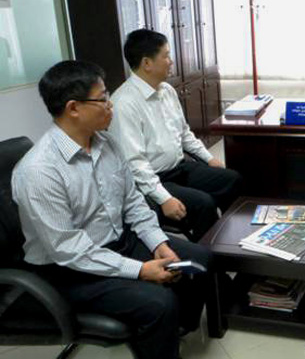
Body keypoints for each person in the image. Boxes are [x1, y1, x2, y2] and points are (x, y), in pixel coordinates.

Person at [12, 61, 212, 359]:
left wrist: (158, 243)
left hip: (117, 242)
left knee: (198, 260)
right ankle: (161, 333)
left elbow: (133, 202)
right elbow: (69, 250)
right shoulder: (39, 171)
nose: (111, 104)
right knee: (159, 303)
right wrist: (141, 270)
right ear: (73, 108)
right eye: (103, 98)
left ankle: (170, 333)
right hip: (69, 270)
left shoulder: (106, 143)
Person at [109, 29, 242, 242]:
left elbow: (184, 134)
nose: (171, 62)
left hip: (179, 168)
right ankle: (210, 256)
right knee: (203, 204)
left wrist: (209, 158)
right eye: (166, 56)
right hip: (151, 181)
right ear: (147, 63)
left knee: (231, 180)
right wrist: (163, 198)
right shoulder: (124, 104)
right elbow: (135, 164)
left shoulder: (167, 91)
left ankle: (232, 241)